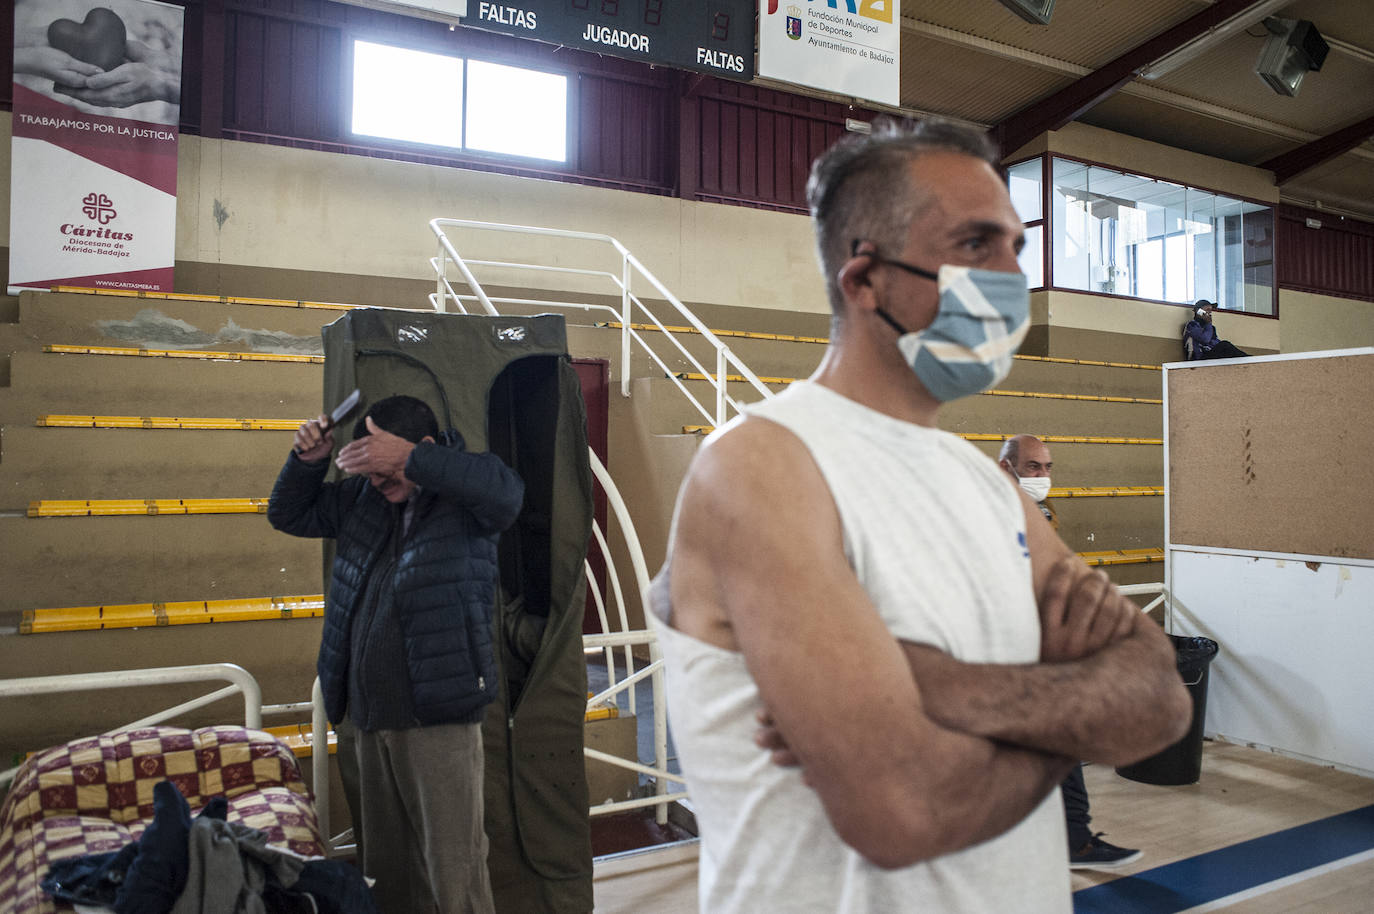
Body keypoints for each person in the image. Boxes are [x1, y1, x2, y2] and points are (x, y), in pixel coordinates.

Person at [649, 117, 1191, 913]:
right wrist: (1075, 705)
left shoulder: (988, 484)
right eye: (976, 245)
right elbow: (905, 812)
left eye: (1017, 248)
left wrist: (955, 691)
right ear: (864, 278)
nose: (1011, 277)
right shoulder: (762, 465)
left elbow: (1163, 695)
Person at [268, 394, 524, 914]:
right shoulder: (364, 495)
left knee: (455, 872)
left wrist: (409, 461)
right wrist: (307, 464)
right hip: (366, 715)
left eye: (385, 469)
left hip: (437, 718)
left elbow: (505, 495)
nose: (378, 486)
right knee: (387, 874)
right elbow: (287, 513)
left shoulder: (467, 490)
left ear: (421, 447)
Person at [998, 434, 1144, 870]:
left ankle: (1068, 839)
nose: (1043, 476)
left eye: (1047, 467)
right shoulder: (987, 513)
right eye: (1033, 467)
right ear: (1007, 467)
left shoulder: (1041, 510)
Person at [1184, 300, 1248, 360]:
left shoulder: (1211, 328)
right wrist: (1208, 323)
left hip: (1211, 354)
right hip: (1199, 357)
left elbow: (1215, 342)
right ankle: (1247, 359)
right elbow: (1205, 339)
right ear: (1198, 311)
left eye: (1211, 310)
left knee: (1226, 348)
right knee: (1224, 344)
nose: (1210, 312)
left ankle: (1248, 359)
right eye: (1207, 310)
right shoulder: (1192, 325)